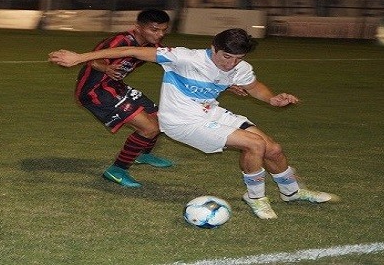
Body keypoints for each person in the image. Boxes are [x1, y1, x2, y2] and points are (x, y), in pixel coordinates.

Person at [49, 28, 339, 219]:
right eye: (226, 56)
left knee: (273, 148)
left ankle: (292, 193)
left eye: (237, 58)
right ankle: (256, 198)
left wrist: (273, 99)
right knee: (254, 144)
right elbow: (132, 52)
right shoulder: (183, 57)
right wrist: (80, 57)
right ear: (214, 48)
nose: (230, 64)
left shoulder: (240, 67)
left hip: (210, 113)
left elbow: (252, 86)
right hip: (181, 121)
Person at [65, 8, 174, 188]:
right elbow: (94, 60)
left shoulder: (151, 46)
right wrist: (106, 68)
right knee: (149, 128)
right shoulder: (120, 40)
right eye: (154, 30)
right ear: (138, 28)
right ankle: (117, 170)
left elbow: (174, 61)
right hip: (95, 92)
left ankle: (142, 154)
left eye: (163, 30)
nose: (160, 34)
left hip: (115, 87)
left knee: (160, 117)